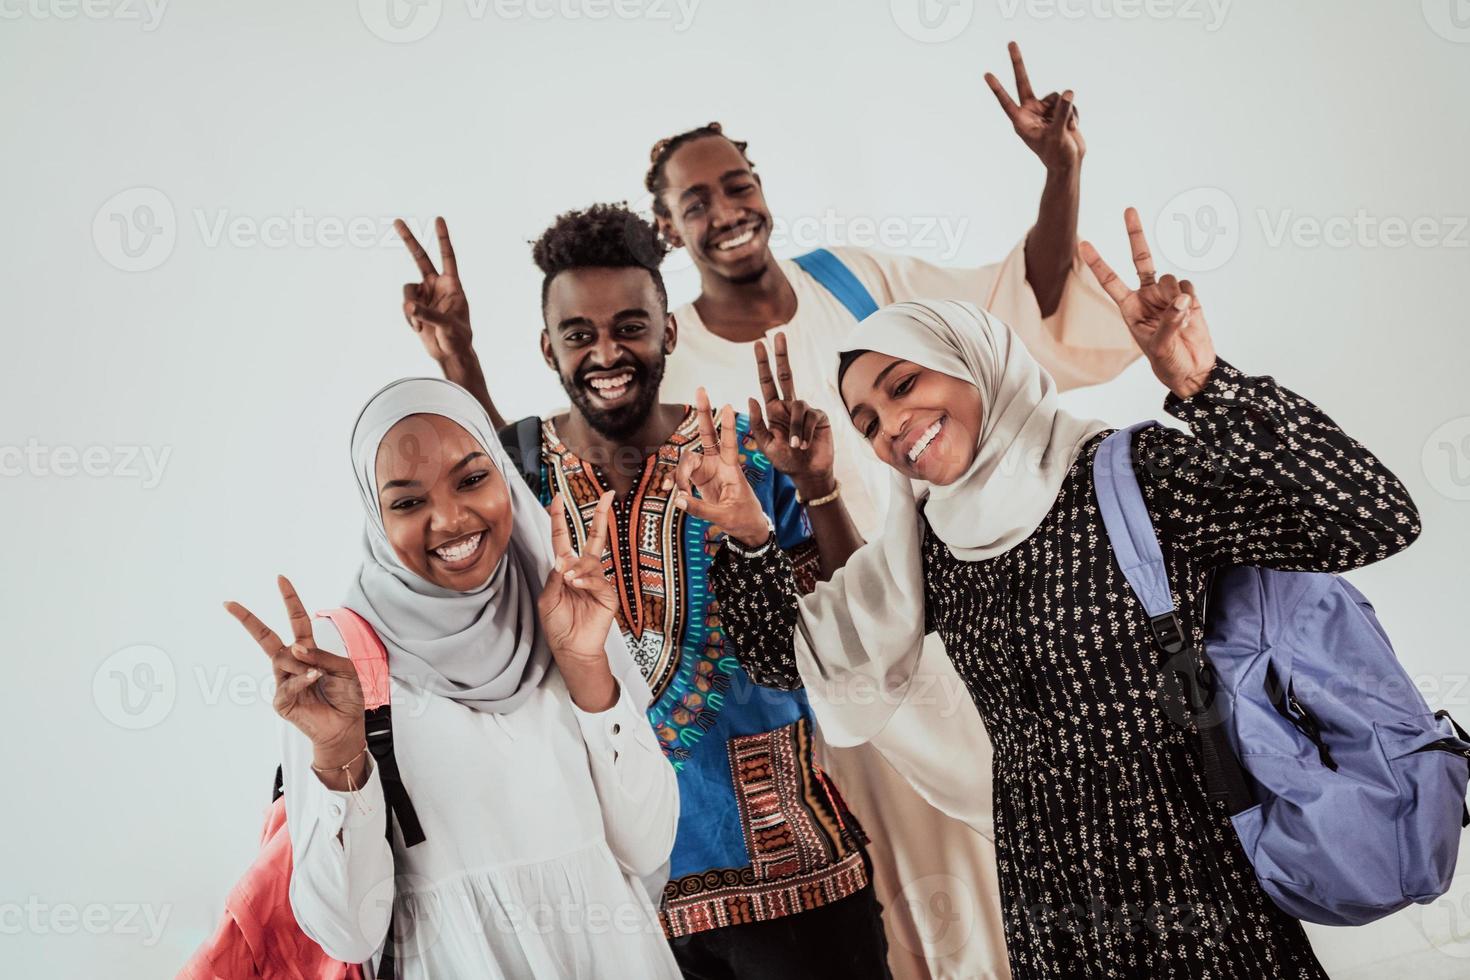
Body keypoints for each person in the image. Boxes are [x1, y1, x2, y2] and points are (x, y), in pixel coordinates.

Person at [695, 209, 1422, 978]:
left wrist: (1203, 383)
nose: (892, 427)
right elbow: (795, 658)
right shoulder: (934, 543)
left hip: (1193, 869)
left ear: (972, 360)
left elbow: (1368, 521)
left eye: (904, 383)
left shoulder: (1133, 476)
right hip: (1051, 893)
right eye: (867, 421)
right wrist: (753, 529)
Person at [642, 43, 1139, 978]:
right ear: (669, 230)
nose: (726, 212)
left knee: (1000, 858)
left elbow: (1008, 312)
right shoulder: (673, 361)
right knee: (897, 898)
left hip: (948, 627)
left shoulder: (850, 278)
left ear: (762, 188)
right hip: (826, 670)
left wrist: (1060, 172)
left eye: (736, 184)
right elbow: (599, 448)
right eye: (695, 202)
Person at [397, 204, 893, 978]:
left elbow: (852, 632)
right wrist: (457, 355)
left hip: (795, 878)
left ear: (669, 331)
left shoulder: (745, 455)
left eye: (630, 326)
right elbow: (488, 472)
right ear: (548, 347)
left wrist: (817, 484)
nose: (606, 352)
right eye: (579, 335)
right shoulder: (529, 474)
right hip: (620, 903)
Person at [223, 378, 681, 978]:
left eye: (472, 479)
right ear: (375, 514)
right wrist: (338, 754)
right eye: (409, 503)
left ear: (504, 476)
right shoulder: (339, 660)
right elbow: (349, 930)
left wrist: (588, 666)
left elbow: (647, 848)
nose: (450, 519)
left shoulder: (560, 606)